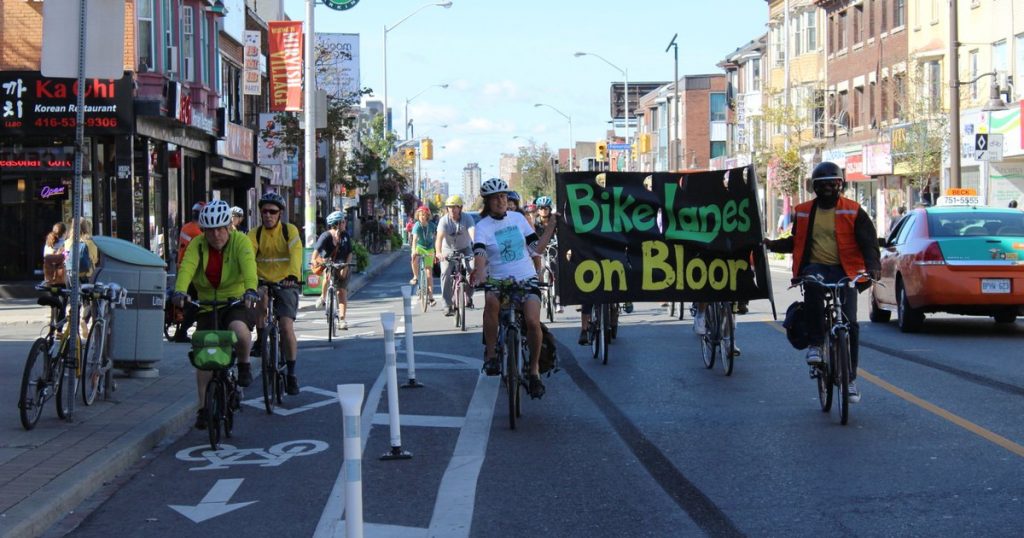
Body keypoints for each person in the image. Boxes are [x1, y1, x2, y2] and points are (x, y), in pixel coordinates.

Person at [764, 161, 881, 403]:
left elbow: (869, 243)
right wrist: (772, 245)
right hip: (816, 268)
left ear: (841, 185)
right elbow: (797, 242)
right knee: (813, 288)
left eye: (833, 183)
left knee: (850, 324)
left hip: (845, 270)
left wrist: (873, 268)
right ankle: (816, 345)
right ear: (814, 188)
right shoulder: (804, 211)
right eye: (822, 184)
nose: (828, 188)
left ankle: (849, 380)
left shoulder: (853, 210)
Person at [172, 200, 259, 430]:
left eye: (221, 228)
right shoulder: (197, 246)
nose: (217, 235)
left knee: (239, 332)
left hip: (236, 300)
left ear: (229, 226)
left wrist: (251, 290)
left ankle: (244, 365)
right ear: (204, 231)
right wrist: (180, 291)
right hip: (208, 304)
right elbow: (187, 268)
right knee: (204, 357)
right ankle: (203, 409)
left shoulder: (241, 242)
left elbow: (249, 266)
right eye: (211, 230)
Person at [470, 178, 557, 399]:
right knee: (490, 303)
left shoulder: (518, 219)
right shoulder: (482, 227)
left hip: (526, 278)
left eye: (503, 196)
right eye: (495, 198)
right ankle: (491, 356)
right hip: (498, 280)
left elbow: (535, 248)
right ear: (487, 202)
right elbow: (479, 252)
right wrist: (479, 272)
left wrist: (552, 226)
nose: (500, 201)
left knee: (531, 321)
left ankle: (534, 371)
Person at [247, 192, 303, 395]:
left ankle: (291, 374)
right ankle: (261, 340)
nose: (268, 215)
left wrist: (293, 275)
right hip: (262, 280)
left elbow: (296, 254)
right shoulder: (254, 234)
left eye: (273, 212)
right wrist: (251, 282)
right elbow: (248, 258)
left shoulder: (289, 231)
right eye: (264, 212)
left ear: (280, 214)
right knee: (260, 301)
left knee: (286, 326)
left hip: (286, 282)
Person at [435, 195, 475, 316]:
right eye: (449, 207)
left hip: (465, 248)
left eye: (455, 207)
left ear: (460, 208)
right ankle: (447, 304)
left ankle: (468, 296)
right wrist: (438, 252)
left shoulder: (467, 218)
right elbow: (439, 238)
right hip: (447, 249)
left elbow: (473, 234)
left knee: (472, 268)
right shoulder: (444, 221)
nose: (452, 210)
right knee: (445, 273)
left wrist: (477, 247)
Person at [314, 210, 354, 329]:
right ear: (336, 224)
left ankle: (342, 320)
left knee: (341, 291)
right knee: (327, 275)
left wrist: (347, 265)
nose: (344, 223)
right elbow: (316, 251)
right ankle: (323, 296)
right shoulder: (326, 236)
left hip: (343, 263)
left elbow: (350, 252)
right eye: (342, 221)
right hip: (329, 263)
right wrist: (315, 261)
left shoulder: (345, 236)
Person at [533, 196, 563, 314]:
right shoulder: (535, 222)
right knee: (537, 271)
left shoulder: (555, 220)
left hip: (553, 247)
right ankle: (541, 295)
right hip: (539, 250)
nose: (544, 210)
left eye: (546, 208)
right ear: (538, 209)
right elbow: (532, 236)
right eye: (541, 208)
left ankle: (558, 301)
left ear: (550, 209)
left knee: (556, 271)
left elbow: (561, 234)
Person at [409, 205, 438, 307]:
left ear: (427, 216)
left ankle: (431, 297)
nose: (422, 216)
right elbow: (415, 240)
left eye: (424, 215)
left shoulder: (432, 225)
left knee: (429, 273)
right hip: (420, 247)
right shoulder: (417, 225)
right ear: (418, 215)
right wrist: (413, 251)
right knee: (414, 258)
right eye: (420, 214)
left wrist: (436, 250)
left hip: (429, 248)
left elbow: (436, 238)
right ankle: (416, 276)